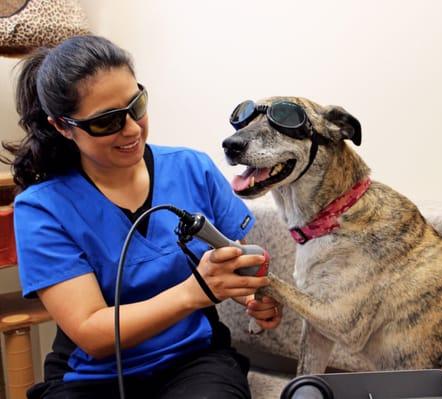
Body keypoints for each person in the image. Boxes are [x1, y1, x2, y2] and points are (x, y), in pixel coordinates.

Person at [0, 35, 282, 399]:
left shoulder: (191, 168)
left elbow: (237, 264)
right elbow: (92, 332)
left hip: (193, 362)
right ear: (63, 127)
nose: (132, 129)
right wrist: (194, 292)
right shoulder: (41, 208)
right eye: (107, 122)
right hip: (90, 379)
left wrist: (252, 298)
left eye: (137, 105)